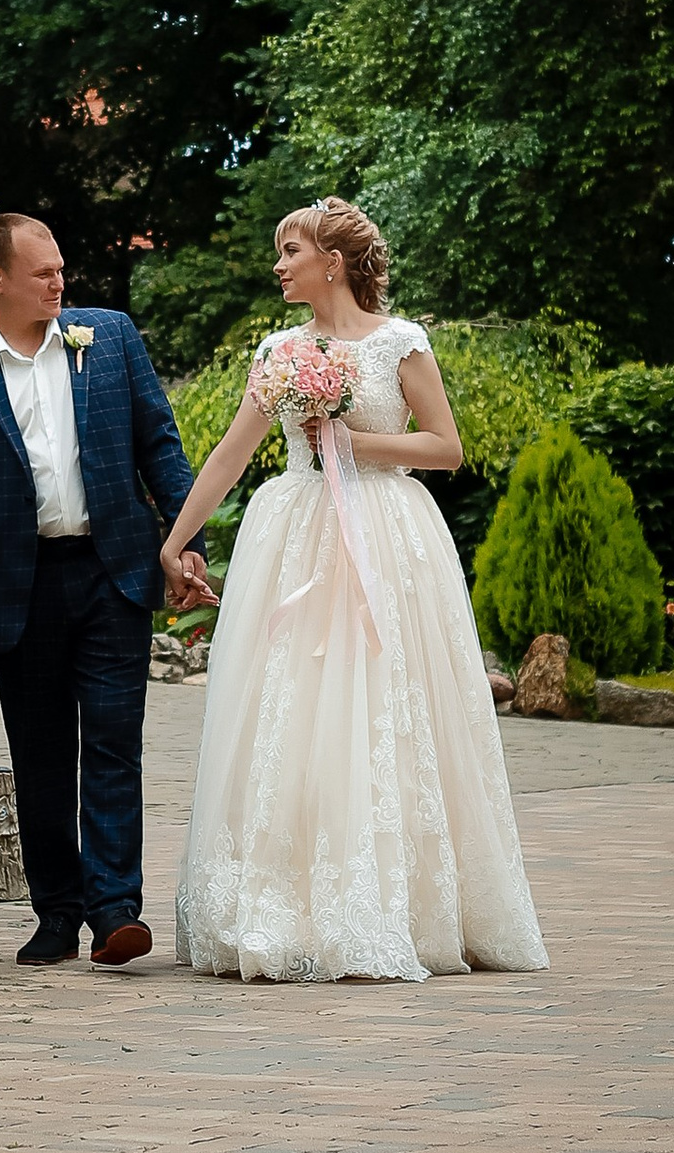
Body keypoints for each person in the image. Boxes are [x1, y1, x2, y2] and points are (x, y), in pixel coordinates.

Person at [160, 199, 547, 984]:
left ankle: (400, 909)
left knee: (386, 707)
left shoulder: (401, 343)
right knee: (293, 711)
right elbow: (232, 455)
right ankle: (288, 911)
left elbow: (446, 447)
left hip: (386, 535)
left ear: (332, 263)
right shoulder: (278, 352)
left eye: (291, 251)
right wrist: (175, 541)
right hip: (295, 537)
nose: (279, 265)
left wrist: (352, 440)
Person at [0, 210, 201, 967]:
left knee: (113, 745)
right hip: (20, 584)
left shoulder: (109, 337)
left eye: (61, 269)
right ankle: (57, 913)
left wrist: (186, 544)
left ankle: (115, 912)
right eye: (43, 272)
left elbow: (160, 445)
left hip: (114, 571)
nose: (58, 282)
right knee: (41, 757)